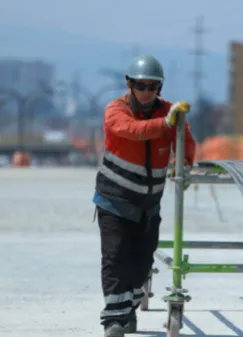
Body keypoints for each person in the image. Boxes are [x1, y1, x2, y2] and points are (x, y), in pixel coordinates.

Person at [93, 54, 196, 337]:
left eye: (153, 87)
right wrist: (165, 123)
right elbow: (131, 131)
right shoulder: (116, 109)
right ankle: (114, 322)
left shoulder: (169, 112)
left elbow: (185, 138)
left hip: (148, 204)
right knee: (115, 258)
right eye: (142, 86)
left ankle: (127, 313)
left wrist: (185, 164)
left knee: (142, 263)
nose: (148, 92)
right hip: (114, 199)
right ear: (129, 84)